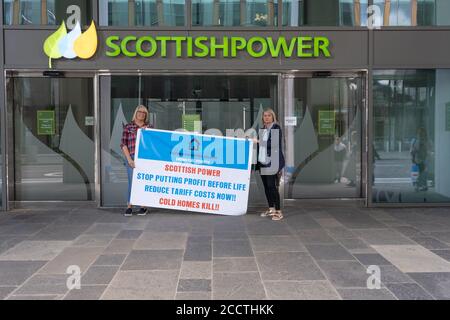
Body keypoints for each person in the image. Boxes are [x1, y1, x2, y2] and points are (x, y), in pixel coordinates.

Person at [121, 105, 151, 216]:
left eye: (144, 113)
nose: (142, 114)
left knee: (143, 181)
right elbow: (123, 144)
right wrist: (129, 159)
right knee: (132, 182)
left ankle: (143, 207)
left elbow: (152, 144)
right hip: (132, 157)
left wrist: (146, 133)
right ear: (136, 113)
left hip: (145, 159)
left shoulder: (149, 127)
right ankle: (129, 206)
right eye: (140, 112)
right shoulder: (128, 127)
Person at [256, 108, 285, 221]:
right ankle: (271, 208)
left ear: (273, 117)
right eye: (265, 116)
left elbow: (272, 144)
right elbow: (259, 146)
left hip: (272, 162)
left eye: (269, 115)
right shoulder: (262, 129)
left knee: (272, 187)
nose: (266, 117)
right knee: (266, 187)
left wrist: (257, 141)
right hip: (263, 162)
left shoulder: (276, 128)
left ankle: (278, 211)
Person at [410, 127, 430, 192]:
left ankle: (423, 185)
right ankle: (417, 186)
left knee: (423, 173)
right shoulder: (415, 140)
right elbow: (412, 151)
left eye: (422, 133)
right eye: (419, 133)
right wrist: (413, 158)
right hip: (417, 159)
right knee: (416, 173)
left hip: (423, 159)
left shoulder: (425, 140)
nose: (421, 134)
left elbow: (428, 149)